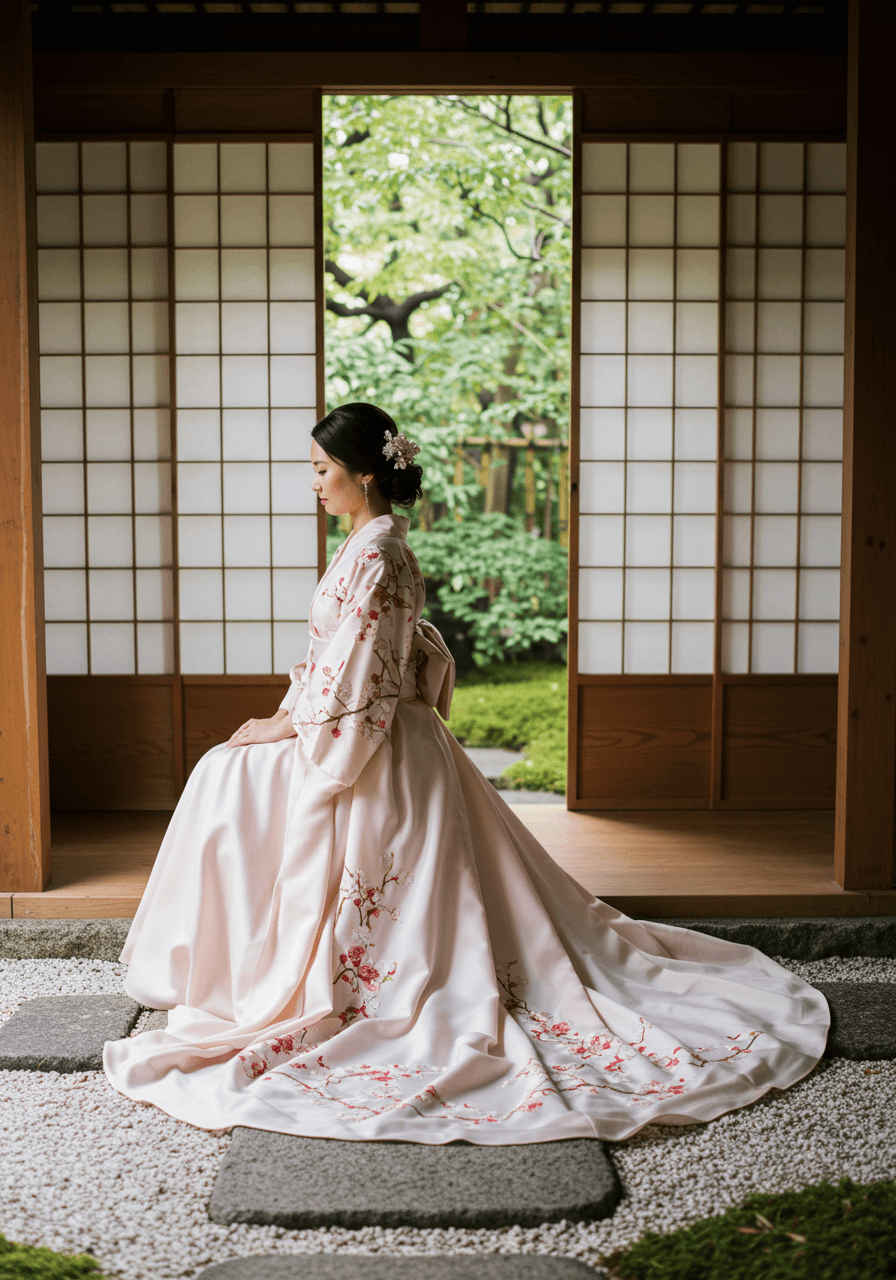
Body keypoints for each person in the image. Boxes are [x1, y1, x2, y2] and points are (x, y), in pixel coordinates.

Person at [103, 402, 829, 1144]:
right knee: (224, 771)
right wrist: (287, 715)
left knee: (225, 776)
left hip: (370, 735)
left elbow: (362, 675)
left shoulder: (380, 553)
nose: (313, 483)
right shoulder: (370, 540)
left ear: (362, 473)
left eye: (322, 470)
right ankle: (238, 969)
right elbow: (340, 662)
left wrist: (287, 727)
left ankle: (251, 972)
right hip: (360, 721)